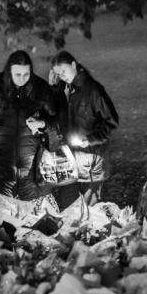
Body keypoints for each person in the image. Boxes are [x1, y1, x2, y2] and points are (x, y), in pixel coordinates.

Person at [0, 50, 57, 200]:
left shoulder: (41, 88)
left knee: (29, 214)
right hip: (0, 162)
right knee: (2, 211)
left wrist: (42, 123)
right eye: (17, 75)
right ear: (9, 71)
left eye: (26, 75)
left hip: (32, 165)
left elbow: (56, 120)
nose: (22, 79)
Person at [48, 51, 119, 206]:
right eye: (58, 73)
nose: (62, 76)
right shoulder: (63, 90)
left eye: (64, 71)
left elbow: (111, 122)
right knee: (70, 206)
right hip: (70, 159)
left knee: (89, 208)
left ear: (74, 65)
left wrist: (90, 139)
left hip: (92, 159)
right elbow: (55, 115)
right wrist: (53, 89)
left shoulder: (93, 91)